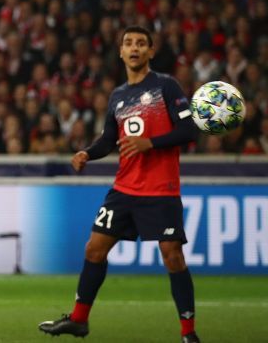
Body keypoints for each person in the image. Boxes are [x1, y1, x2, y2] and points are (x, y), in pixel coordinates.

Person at [38, 26, 200, 343]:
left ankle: (188, 333)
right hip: (124, 189)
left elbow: (189, 131)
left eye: (141, 43)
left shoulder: (166, 86)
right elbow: (109, 140)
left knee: (173, 256)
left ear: (151, 51)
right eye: (128, 43)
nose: (134, 47)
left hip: (160, 190)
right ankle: (79, 320)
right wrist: (88, 152)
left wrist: (149, 143)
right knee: (94, 249)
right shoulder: (118, 96)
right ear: (121, 52)